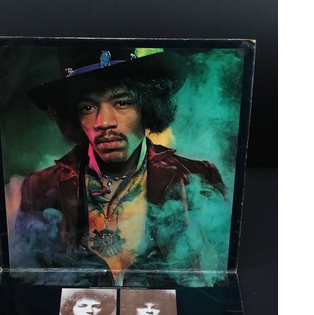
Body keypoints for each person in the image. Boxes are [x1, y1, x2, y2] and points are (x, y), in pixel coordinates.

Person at [14, 47, 229, 287]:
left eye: (122, 102)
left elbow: (225, 275)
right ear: (74, 117)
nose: (104, 122)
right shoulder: (39, 188)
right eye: (87, 107)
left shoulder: (198, 177)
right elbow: (27, 282)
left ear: (147, 106)